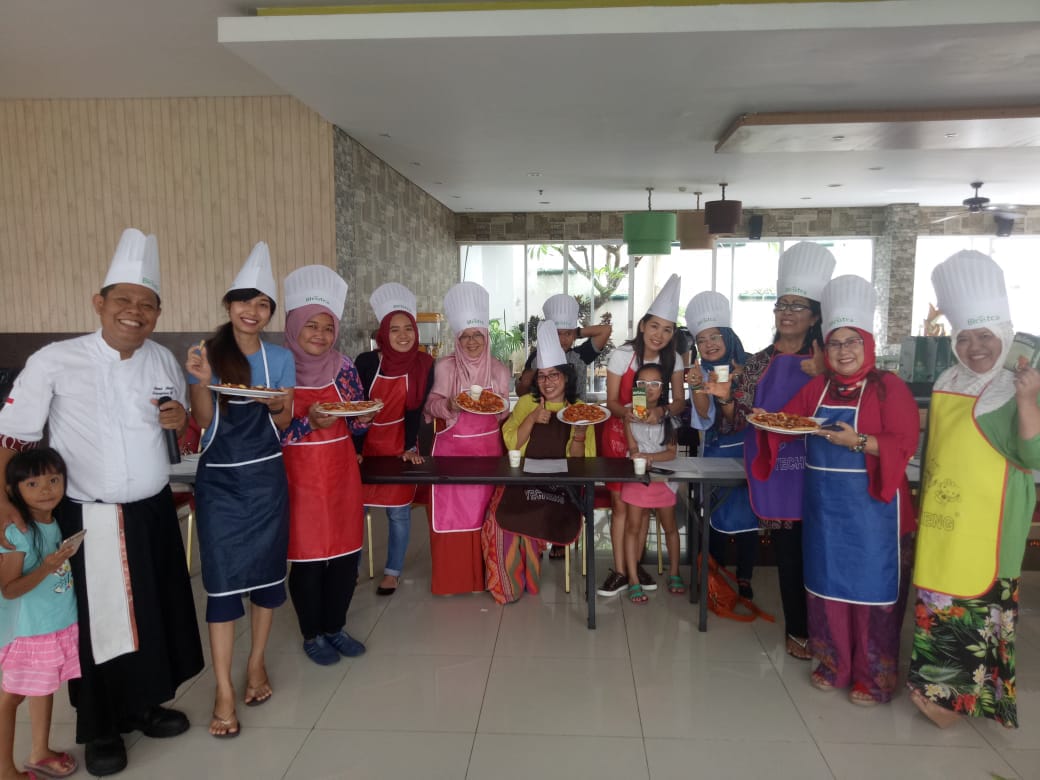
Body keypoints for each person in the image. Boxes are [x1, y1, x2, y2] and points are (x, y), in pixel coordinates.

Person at [0, 228, 203, 776]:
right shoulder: (56, 359)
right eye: (124, 300)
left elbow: (179, 426)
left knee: (153, 613)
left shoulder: (162, 360)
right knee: (99, 625)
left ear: (157, 314)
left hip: (151, 509)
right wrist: (3, 505)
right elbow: (12, 436)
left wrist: (180, 420)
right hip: (89, 515)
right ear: (99, 303)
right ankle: (101, 728)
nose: (134, 312)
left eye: (147, 304)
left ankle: (144, 705)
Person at [751, 276, 918, 705]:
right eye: (836, 343)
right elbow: (787, 421)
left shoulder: (888, 387)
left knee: (872, 594)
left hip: (875, 512)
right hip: (825, 511)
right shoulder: (818, 387)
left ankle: (874, 677)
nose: (844, 351)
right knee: (826, 588)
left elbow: (905, 442)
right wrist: (764, 422)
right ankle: (832, 664)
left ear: (867, 343)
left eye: (852, 342)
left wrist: (858, 441)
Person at [907, 251, 1040, 729]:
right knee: (939, 601)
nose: (974, 347)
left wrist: (1027, 399)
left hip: (990, 522)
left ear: (1004, 333)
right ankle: (936, 688)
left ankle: (953, 703)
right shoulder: (950, 378)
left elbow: (1033, 457)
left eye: (985, 336)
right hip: (944, 516)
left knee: (976, 610)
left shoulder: (1018, 385)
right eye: (964, 337)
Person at [185, 242, 293, 739]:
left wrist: (274, 404)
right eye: (245, 301)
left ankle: (256, 663)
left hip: (267, 479)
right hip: (220, 483)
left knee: (269, 576)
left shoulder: (280, 358)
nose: (253, 311)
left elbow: (285, 421)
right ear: (229, 305)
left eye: (263, 304)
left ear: (270, 313)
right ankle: (224, 689)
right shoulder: (207, 354)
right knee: (223, 583)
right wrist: (201, 382)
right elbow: (204, 422)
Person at [729, 242, 835, 660]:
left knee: (826, 554)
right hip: (780, 468)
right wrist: (736, 406)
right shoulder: (758, 362)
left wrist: (824, 372)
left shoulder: (833, 360)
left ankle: (833, 633)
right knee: (791, 555)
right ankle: (799, 630)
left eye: (797, 305)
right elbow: (739, 413)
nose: (786, 312)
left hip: (827, 466)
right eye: (781, 305)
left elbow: (854, 403)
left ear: (815, 316)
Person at [281, 266, 372, 666]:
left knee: (346, 555)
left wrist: (364, 418)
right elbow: (266, 433)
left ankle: (335, 626)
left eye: (327, 327)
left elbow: (355, 420)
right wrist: (307, 424)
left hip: (340, 471)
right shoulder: (278, 368)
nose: (320, 334)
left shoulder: (344, 367)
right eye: (311, 325)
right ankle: (312, 633)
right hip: (297, 476)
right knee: (309, 559)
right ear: (294, 326)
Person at [481, 320, 595, 604]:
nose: (548, 382)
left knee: (536, 513)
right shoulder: (526, 405)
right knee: (498, 518)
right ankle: (508, 584)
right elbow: (512, 445)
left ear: (566, 377)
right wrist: (532, 419)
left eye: (554, 375)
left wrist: (579, 433)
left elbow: (582, 465)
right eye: (542, 376)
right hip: (523, 482)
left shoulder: (580, 410)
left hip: (563, 489)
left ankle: (530, 575)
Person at [598, 274, 686, 597]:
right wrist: (631, 415)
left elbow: (679, 401)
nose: (659, 335)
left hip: (656, 438)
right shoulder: (623, 355)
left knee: (644, 505)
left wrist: (661, 412)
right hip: (620, 436)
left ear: (673, 333)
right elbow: (611, 401)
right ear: (643, 326)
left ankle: (634, 566)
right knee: (621, 506)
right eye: (654, 326)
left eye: (667, 329)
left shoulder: (674, 359)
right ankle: (621, 571)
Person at [423, 282, 511, 595]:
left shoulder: (499, 370)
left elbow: (503, 412)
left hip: (487, 454)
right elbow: (430, 406)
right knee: (452, 515)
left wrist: (499, 407)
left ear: (486, 337)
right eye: (465, 336)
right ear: (457, 339)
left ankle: (486, 579)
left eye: (477, 335)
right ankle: (454, 580)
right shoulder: (446, 367)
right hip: (452, 454)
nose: (472, 342)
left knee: (483, 514)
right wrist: (448, 405)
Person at [0, 449, 79, 780]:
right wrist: (46, 568)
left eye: (53, 480)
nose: (46, 489)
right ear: (13, 490)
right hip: (28, 631)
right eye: (32, 484)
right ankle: (5, 769)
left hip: (51, 625)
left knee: (43, 688)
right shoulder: (18, 532)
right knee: (11, 697)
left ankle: (40, 751)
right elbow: (9, 589)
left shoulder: (52, 520)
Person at [354, 283, 435, 597]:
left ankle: (392, 571)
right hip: (366, 443)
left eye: (408, 328)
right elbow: (354, 408)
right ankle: (351, 568)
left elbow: (416, 411)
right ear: (383, 333)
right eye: (395, 329)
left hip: (399, 443)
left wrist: (410, 447)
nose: (403, 335)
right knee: (355, 511)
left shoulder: (424, 364)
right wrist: (356, 449)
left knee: (399, 512)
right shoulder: (366, 363)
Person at [685, 292, 756, 599]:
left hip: (749, 451)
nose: (709, 344)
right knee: (714, 516)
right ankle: (714, 575)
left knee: (749, 516)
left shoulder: (750, 367)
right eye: (702, 340)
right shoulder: (700, 371)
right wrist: (697, 386)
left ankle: (745, 577)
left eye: (714, 336)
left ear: (727, 335)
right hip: (715, 452)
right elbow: (704, 415)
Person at [621, 363, 681, 603]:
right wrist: (639, 456)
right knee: (632, 528)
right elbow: (632, 447)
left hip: (663, 480)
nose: (648, 388)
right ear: (635, 388)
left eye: (655, 384)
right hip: (637, 477)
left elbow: (671, 453)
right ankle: (633, 579)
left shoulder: (669, 417)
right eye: (642, 384)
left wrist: (649, 457)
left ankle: (674, 572)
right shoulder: (629, 413)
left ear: (663, 388)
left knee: (670, 527)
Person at [515, 294, 612, 399]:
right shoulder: (536, 357)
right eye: (558, 334)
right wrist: (525, 384)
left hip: (577, 409)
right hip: (542, 409)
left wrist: (576, 332)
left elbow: (606, 330)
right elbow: (520, 393)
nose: (563, 339)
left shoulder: (580, 356)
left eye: (568, 334)